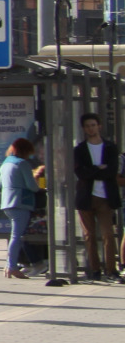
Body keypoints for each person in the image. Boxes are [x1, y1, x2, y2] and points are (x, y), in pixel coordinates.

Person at [72, 113, 119, 280]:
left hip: (105, 197)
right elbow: (80, 172)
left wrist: (93, 170)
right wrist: (99, 169)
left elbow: (112, 171)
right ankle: (95, 269)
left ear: (99, 126)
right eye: (87, 126)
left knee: (108, 234)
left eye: (93, 125)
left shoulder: (110, 147)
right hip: (86, 197)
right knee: (89, 236)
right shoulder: (80, 149)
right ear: (84, 129)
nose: (90, 128)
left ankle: (111, 269)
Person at [0, 137, 40, 280]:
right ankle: (12, 266)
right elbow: (32, 186)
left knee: (14, 235)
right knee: (17, 236)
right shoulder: (22, 163)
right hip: (21, 202)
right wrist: (37, 178)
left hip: (7, 203)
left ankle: (10, 265)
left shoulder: (5, 163)